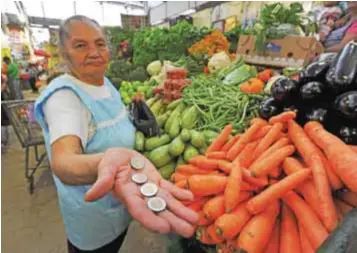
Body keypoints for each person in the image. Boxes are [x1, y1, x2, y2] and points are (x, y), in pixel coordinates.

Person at [34, 15, 197, 253]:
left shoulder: (103, 82)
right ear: (63, 52)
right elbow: (63, 162)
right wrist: (108, 162)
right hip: (93, 220)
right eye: (81, 45)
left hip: (123, 201)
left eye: (100, 44)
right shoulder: (64, 98)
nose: (94, 52)